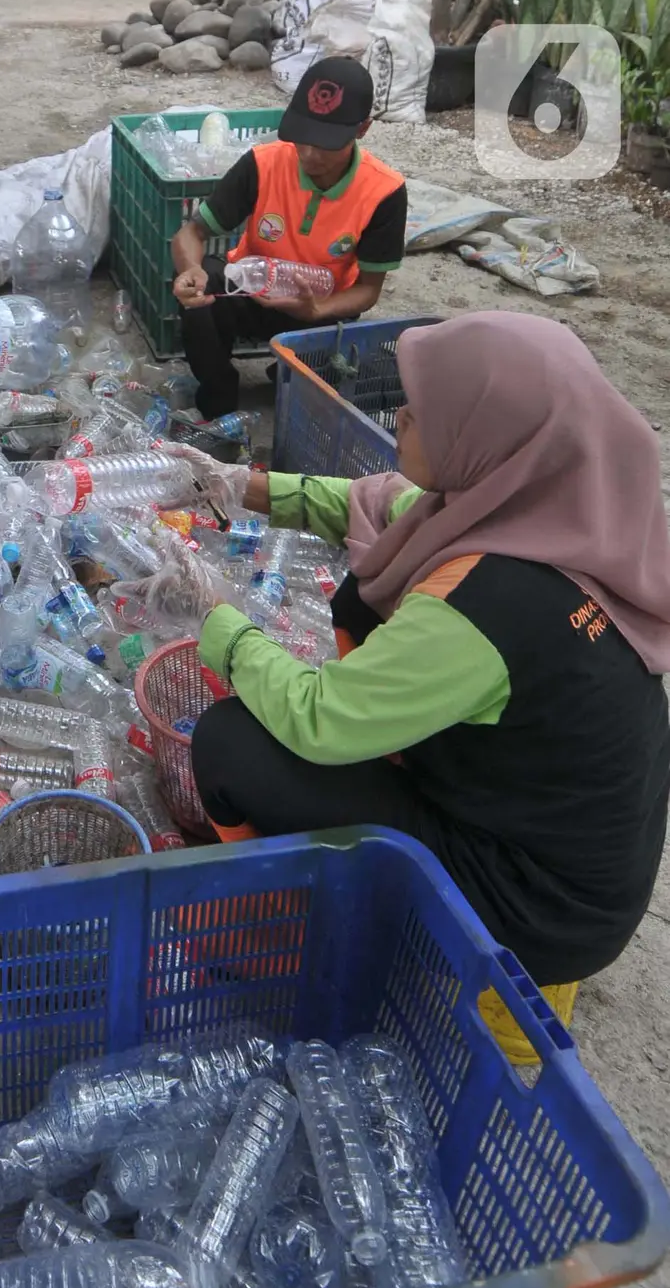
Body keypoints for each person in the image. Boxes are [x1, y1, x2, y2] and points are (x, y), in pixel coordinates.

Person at [174, 312, 670, 1053]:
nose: (400, 416)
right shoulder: (541, 514)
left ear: (486, 435)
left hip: (534, 904)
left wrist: (213, 616)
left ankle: (282, 930)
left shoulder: (492, 604)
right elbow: (372, 503)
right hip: (549, 841)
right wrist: (237, 485)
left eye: (424, 410)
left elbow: (321, 719)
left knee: (235, 740)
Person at [170, 57, 407, 421]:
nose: (310, 155)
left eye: (326, 144)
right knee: (203, 295)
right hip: (252, 293)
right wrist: (190, 268)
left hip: (320, 313)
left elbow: (368, 289)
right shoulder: (263, 163)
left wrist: (317, 309)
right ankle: (218, 401)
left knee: (365, 390)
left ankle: (288, 370)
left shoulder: (384, 192)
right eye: (303, 138)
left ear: (363, 129)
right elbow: (193, 232)